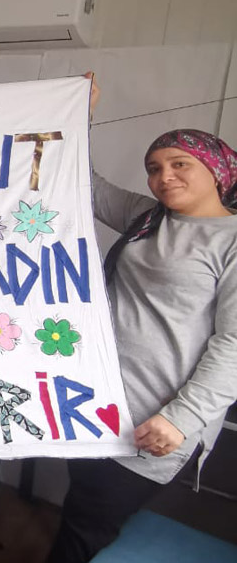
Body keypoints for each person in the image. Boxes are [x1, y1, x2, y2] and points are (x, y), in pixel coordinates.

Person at [46, 78, 237, 563]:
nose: (164, 176)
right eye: (154, 168)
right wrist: (78, 113)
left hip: (156, 420)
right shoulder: (147, 216)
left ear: (216, 169)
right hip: (95, 399)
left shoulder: (231, 241)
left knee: (84, 527)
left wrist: (182, 418)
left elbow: (234, 344)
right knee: (81, 507)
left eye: (179, 164)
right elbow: (83, 185)